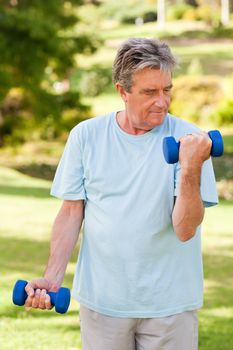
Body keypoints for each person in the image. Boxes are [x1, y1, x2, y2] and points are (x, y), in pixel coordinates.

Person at [24, 38, 218, 350]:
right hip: (103, 302)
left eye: (167, 89)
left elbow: (184, 229)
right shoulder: (86, 136)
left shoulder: (191, 142)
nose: (162, 101)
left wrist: (191, 167)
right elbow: (72, 212)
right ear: (122, 91)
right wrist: (52, 277)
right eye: (149, 92)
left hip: (170, 306)